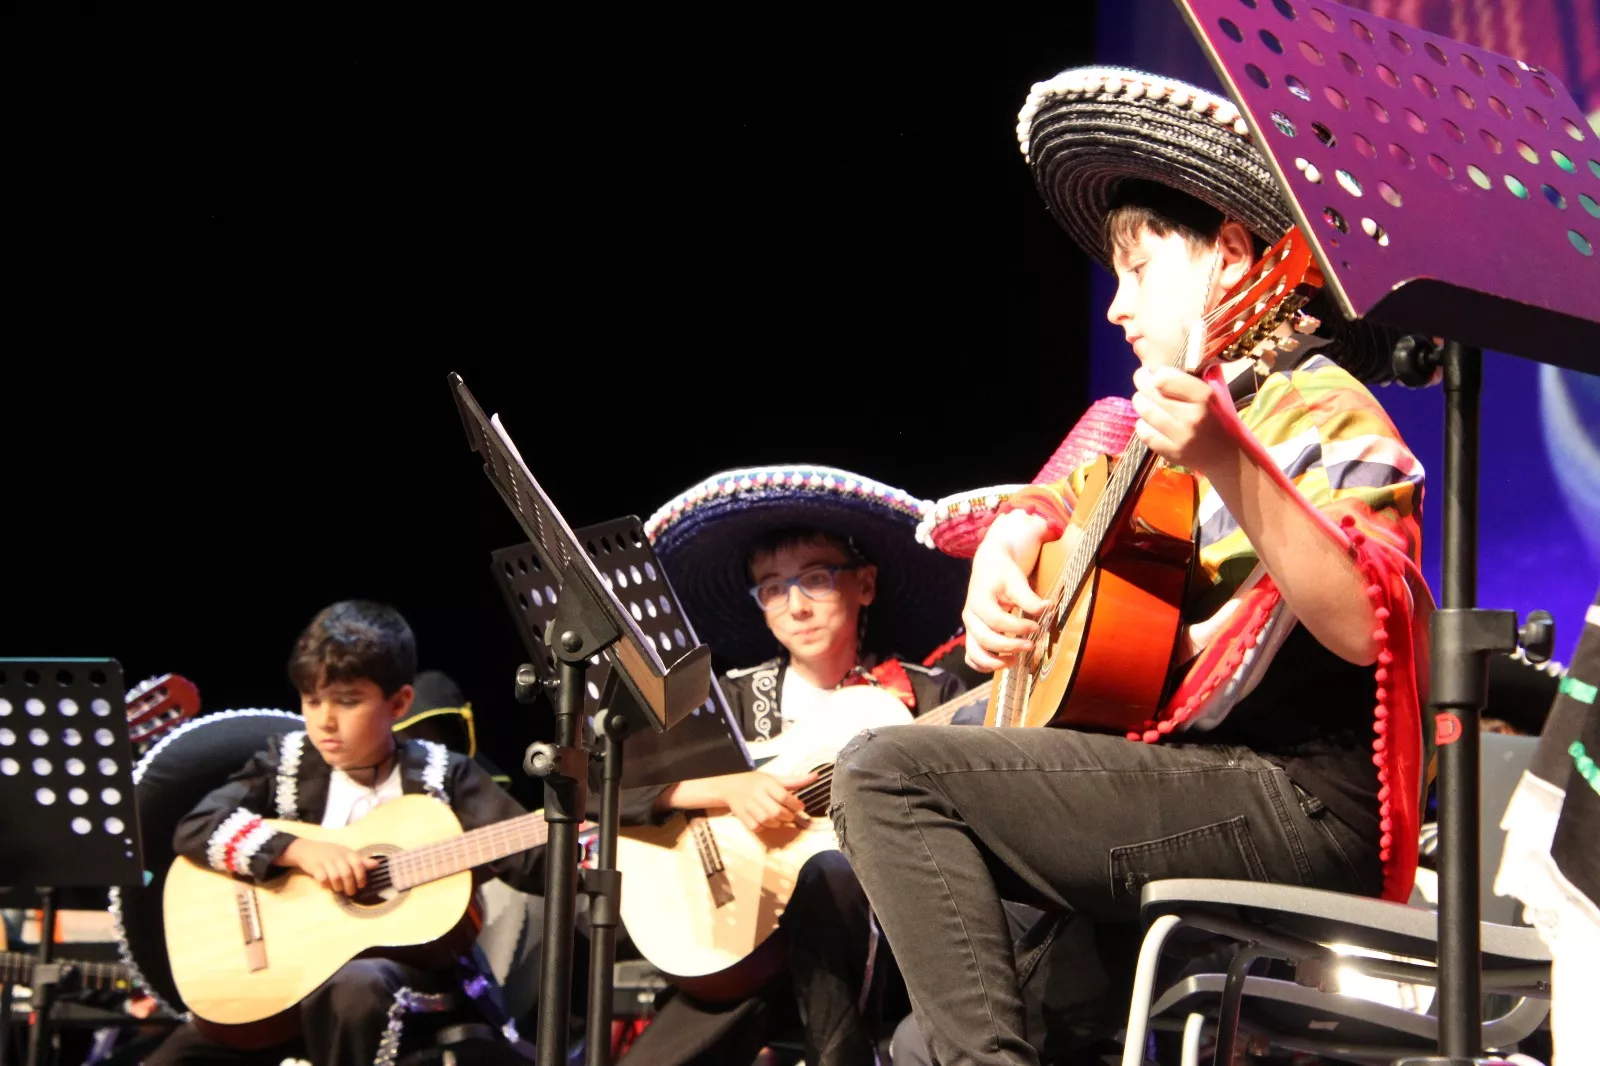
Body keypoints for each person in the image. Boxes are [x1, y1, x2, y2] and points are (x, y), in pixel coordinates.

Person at [832, 66, 1433, 1066]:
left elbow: (1368, 624)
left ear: (1235, 260)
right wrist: (1013, 544)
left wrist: (1228, 460)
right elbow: (1058, 498)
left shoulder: (1319, 402)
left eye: (1139, 270)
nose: (1115, 308)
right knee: (909, 1041)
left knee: (886, 774)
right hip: (1190, 778)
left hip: (1300, 799)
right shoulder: (1151, 451)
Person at [614, 465, 971, 1066]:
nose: (796, 606)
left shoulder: (931, 697)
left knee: (830, 873)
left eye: (816, 579)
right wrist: (727, 787)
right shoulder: (727, 703)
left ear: (865, 585)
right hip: (742, 932)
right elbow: (606, 785)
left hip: (889, 952)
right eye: (774, 588)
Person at [144, 600, 546, 1066]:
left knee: (354, 987)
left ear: (398, 703)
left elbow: (534, 857)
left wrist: (598, 833)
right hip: (286, 977)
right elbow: (197, 826)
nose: (324, 721)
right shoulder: (290, 764)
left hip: (405, 987)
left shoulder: (444, 777)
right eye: (312, 701)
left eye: (348, 702)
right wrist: (298, 850)